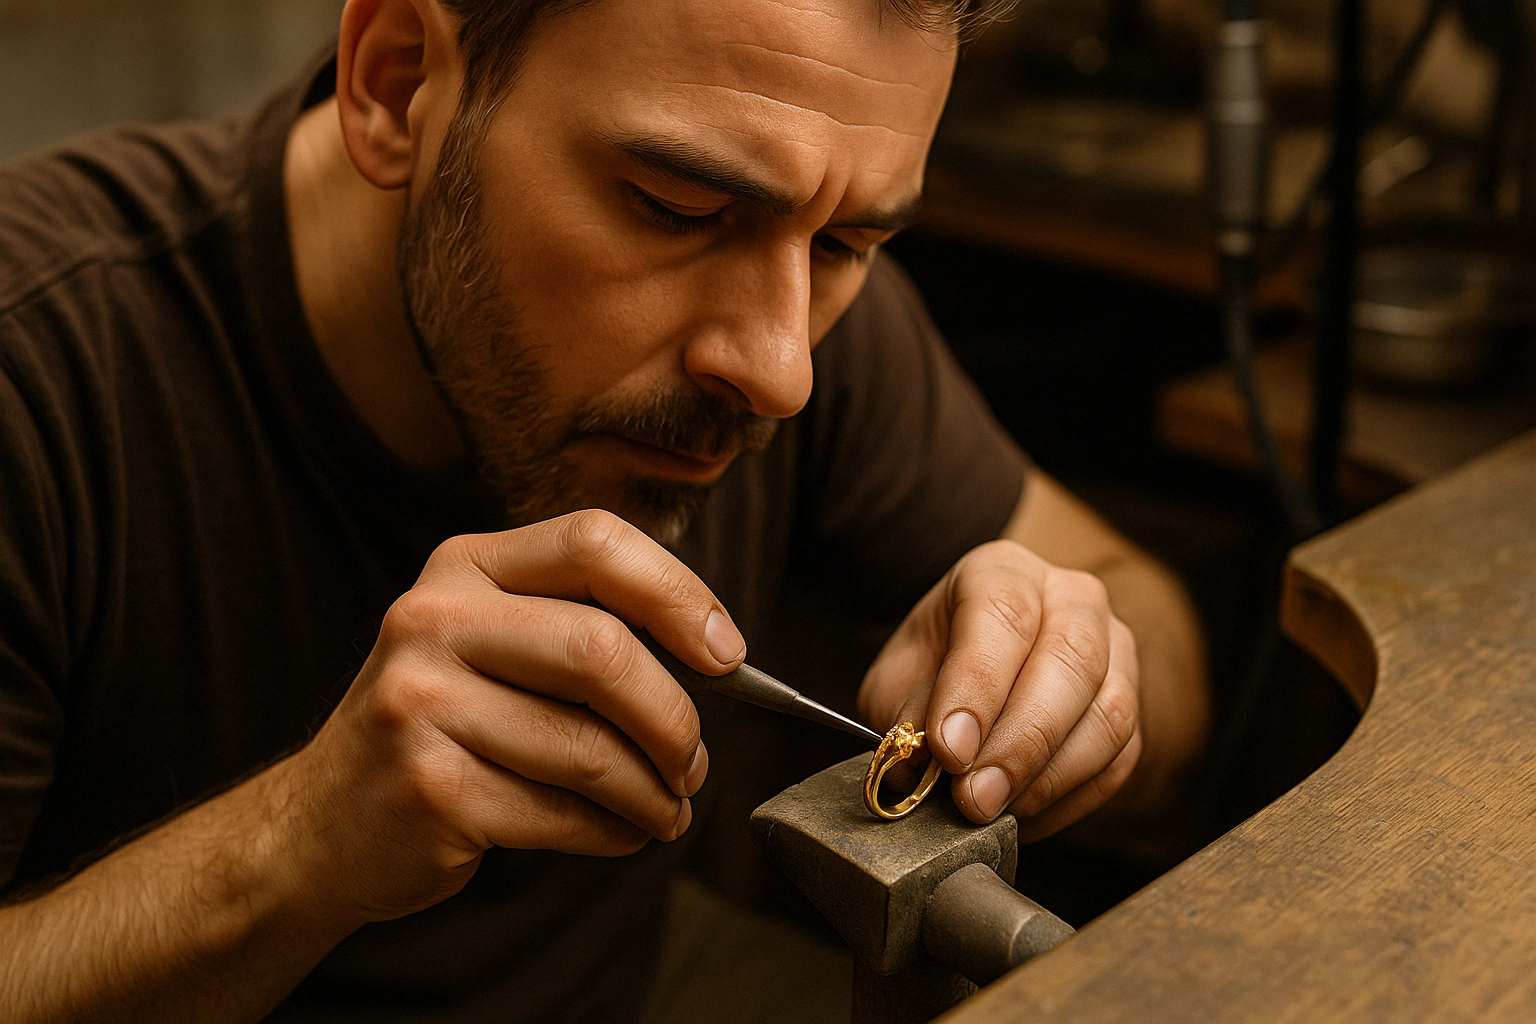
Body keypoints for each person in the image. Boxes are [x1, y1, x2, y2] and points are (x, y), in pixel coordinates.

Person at [0, 0, 1209, 1020]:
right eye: (678, 208)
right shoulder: (40, 372)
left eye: (849, 241)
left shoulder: (787, 293)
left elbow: (1145, 611)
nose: (780, 367)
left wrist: (1078, 673)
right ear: (399, 83)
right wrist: (292, 852)